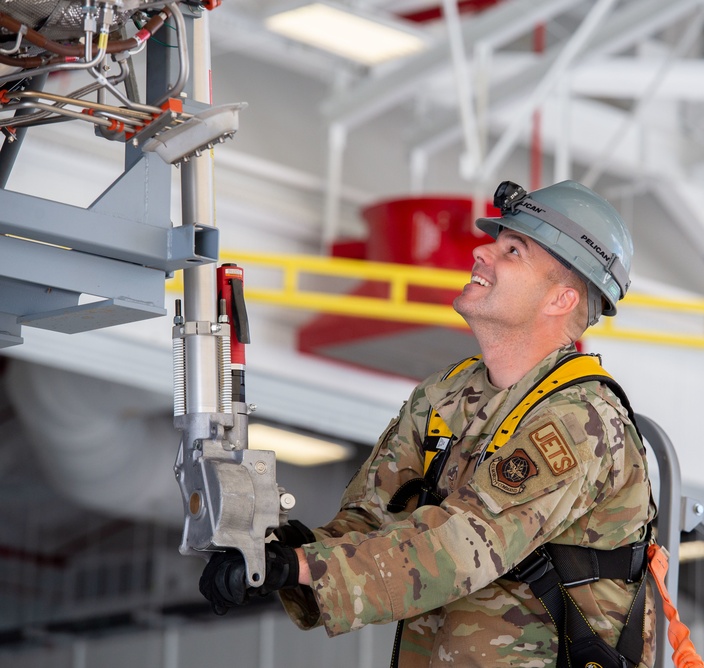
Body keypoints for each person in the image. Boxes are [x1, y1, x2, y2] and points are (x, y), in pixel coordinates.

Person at [200, 180, 658, 667]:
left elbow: (462, 547)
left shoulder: (580, 420)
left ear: (560, 300)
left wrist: (301, 567)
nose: (482, 251)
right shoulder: (447, 394)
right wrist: (276, 556)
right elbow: (371, 519)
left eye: (513, 249)